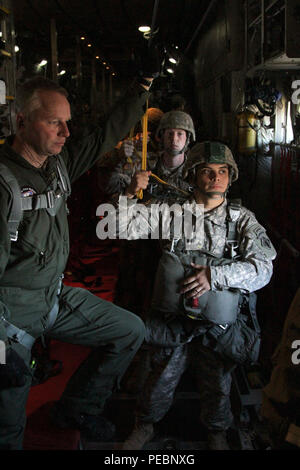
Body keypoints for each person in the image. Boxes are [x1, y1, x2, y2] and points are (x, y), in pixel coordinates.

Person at [0, 73, 156, 450]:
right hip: (10, 319)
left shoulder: (57, 165)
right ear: (21, 120)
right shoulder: (3, 184)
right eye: (55, 122)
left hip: (51, 298)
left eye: (67, 122)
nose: (66, 132)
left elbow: (104, 132)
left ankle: (74, 409)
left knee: (127, 330)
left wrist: (142, 88)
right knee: (8, 431)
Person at [110, 141, 277, 450]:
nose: (216, 178)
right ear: (192, 175)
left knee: (218, 386)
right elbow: (125, 228)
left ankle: (217, 434)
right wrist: (130, 194)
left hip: (216, 327)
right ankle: (144, 426)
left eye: (223, 171)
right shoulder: (172, 212)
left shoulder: (242, 220)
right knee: (159, 379)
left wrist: (216, 276)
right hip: (173, 319)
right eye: (207, 171)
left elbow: (264, 268)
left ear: (231, 176)